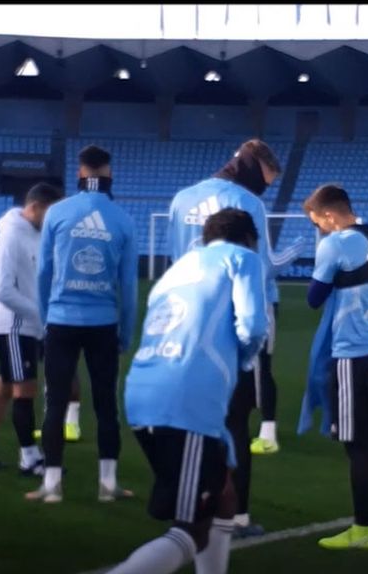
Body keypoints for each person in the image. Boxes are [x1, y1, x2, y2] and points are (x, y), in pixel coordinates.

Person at [108, 208, 268, 574]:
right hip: (185, 398)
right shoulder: (242, 258)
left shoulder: (176, 270)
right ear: (249, 239)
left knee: (223, 494)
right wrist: (242, 361)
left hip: (145, 390)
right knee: (193, 528)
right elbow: (254, 326)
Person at [166, 138, 290, 538]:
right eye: (267, 179)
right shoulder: (248, 202)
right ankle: (235, 518)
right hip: (229, 328)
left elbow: (173, 264)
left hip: (187, 323)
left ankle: (189, 511)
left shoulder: (182, 199)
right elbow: (259, 268)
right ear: (255, 169)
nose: (266, 188)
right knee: (235, 423)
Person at [27, 144, 137, 503]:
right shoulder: (123, 219)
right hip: (104, 324)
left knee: (55, 403)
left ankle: (51, 485)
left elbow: (43, 273)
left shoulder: (58, 213)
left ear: (80, 172)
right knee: (106, 405)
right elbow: (128, 286)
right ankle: (108, 485)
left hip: (61, 321)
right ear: (109, 173)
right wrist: (126, 332)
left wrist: (46, 318)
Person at [304, 183, 368, 550]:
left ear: (330, 216)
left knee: (358, 445)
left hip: (354, 357)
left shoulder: (336, 244)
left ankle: (362, 530)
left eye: (318, 222)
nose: (319, 229)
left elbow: (314, 297)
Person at [0, 182, 64, 476]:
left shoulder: (37, 234)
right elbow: (1, 289)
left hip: (29, 326)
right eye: (51, 212)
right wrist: (40, 314)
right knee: (25, 389)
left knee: (6, 386)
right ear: (35, 207)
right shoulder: (9, 236)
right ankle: (29, 458)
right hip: (14, 324)